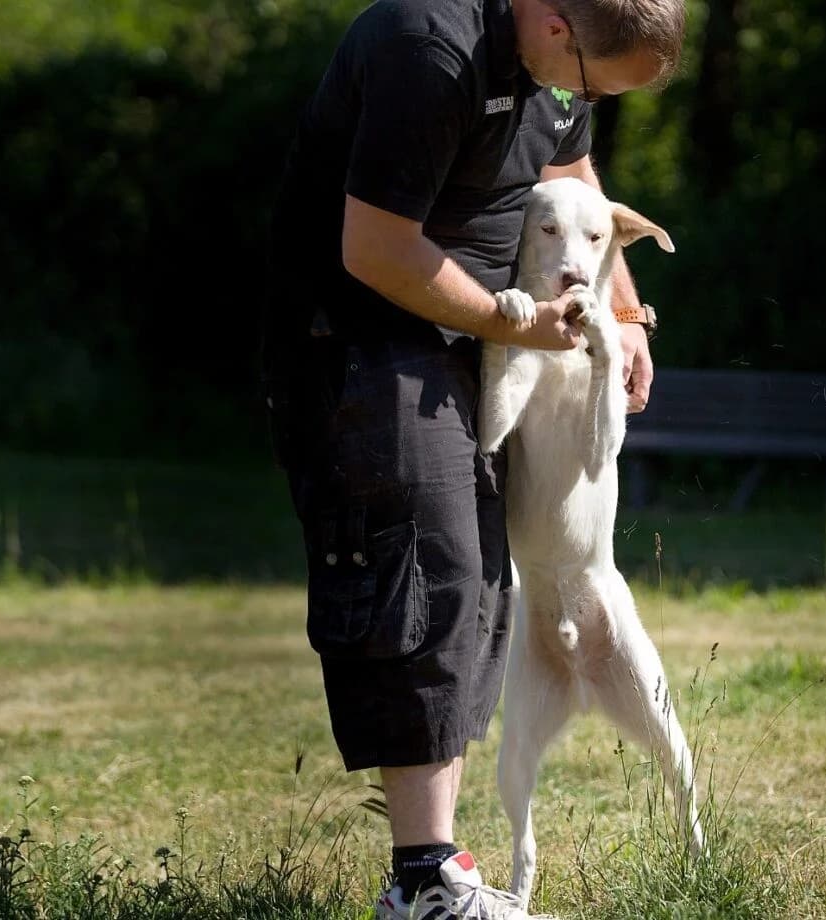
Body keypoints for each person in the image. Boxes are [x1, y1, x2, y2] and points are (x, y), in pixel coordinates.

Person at [261, 0, 683, 916]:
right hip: (361, 334)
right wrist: (508, 322)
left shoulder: (564, 66)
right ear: (554, 21)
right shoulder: (430, 50)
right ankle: (423, 881)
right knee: (431, 560)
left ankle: (431, 871)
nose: (577, 101)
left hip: (478, 335)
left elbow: (569, 167)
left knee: (484, 578)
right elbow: (376, 249)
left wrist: (618, 307)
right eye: (582, 81)